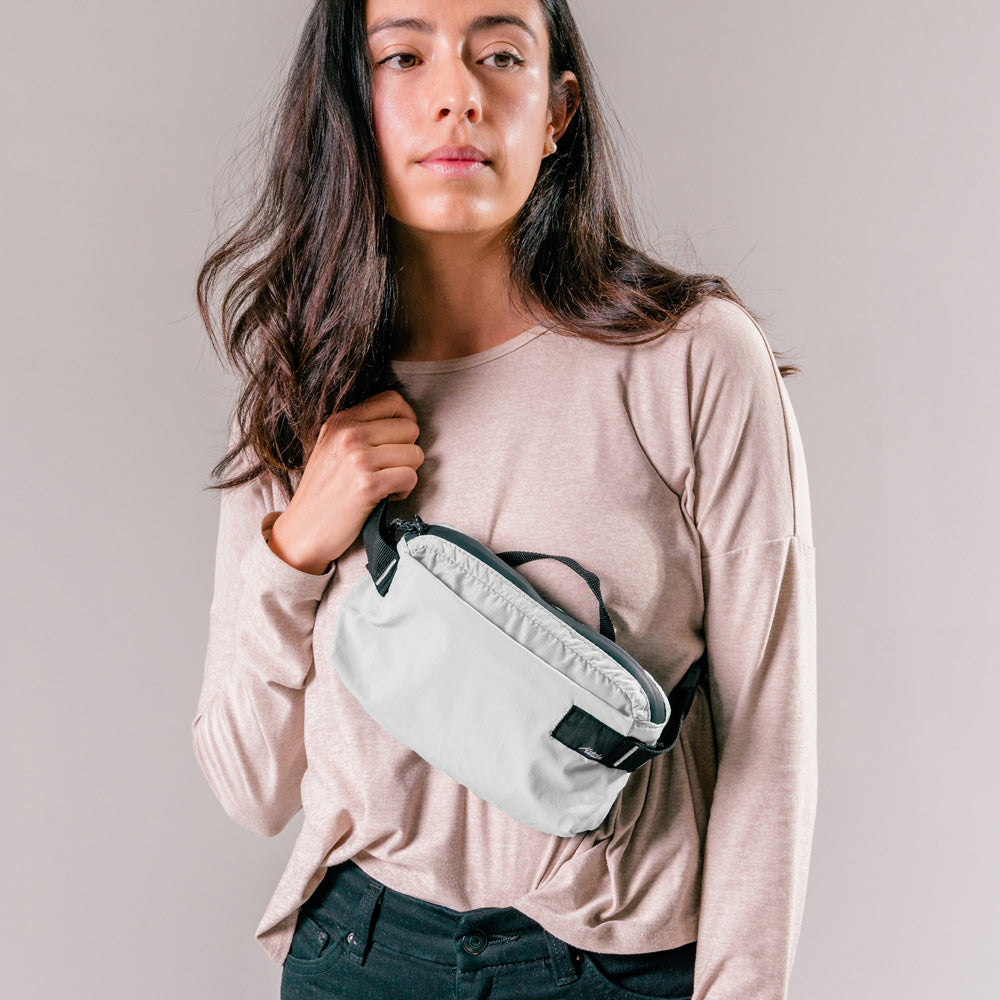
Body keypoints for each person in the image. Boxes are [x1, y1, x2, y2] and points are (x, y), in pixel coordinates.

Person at [191, 1, 817, 998]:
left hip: (618, 965)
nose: (457, 96)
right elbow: (247, 784)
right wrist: (297, 543)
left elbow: (766, 738)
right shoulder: (303, 376)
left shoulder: (691, 359)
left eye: (499, 54)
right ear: (349, 104)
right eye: (403, 56)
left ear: (557, 108)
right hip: (360, 955)